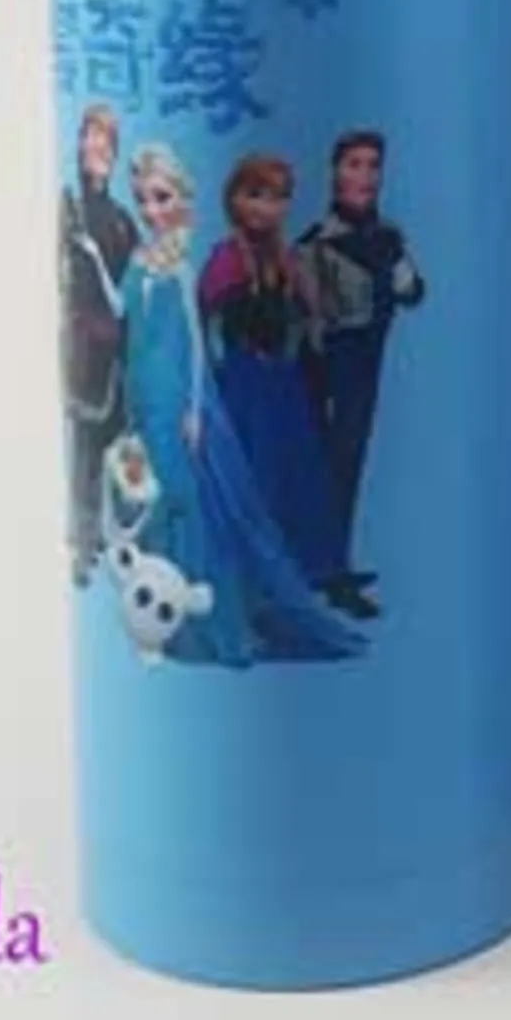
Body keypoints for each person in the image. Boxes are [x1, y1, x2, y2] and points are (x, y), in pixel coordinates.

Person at [117, 142, 365, 665]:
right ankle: (165, 613)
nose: (151, 210)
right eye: (143, 199)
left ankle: (235, 601)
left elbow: (197, 335)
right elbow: (157, 326)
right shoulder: (209, 262)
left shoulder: (216, 265)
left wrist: (196, 402)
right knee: (159, 496)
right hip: (165, 390)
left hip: (232, 388)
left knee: (227, 494)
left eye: (161, 198)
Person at [296, 130, 424, 619]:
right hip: (329, 371)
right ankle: (326, 571)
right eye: (354, 164)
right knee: (329, 467)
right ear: (334, 172)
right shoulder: (316, 245)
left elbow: (413, 292)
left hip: (367, 366)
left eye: (373, 165)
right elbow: (309, 320)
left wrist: (399, 270)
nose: (365, 176)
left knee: (350, 465)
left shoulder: (387, 237)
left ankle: (333, 564)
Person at [197, 152, 337, 587]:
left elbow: (308, 314)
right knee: (253, 471)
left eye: (277, 198)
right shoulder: (226, 259)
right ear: (234, 198)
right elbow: (206, 320)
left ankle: (301, 567)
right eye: (255, 194)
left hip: (281, 379)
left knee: (295, 473)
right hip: (244, 379)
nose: (265, 207)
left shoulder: (284, 259)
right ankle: (251, 571)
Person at [58, 103, 138, 586]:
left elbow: (130, 292)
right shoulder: (67, 208)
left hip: (116, 352)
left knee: (113, 449)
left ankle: (107, 538)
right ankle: (81, 544)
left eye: (106, 142)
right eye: (90, 139)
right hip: (80, 351)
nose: (98, 149)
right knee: (84, 451)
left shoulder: (122, 220)